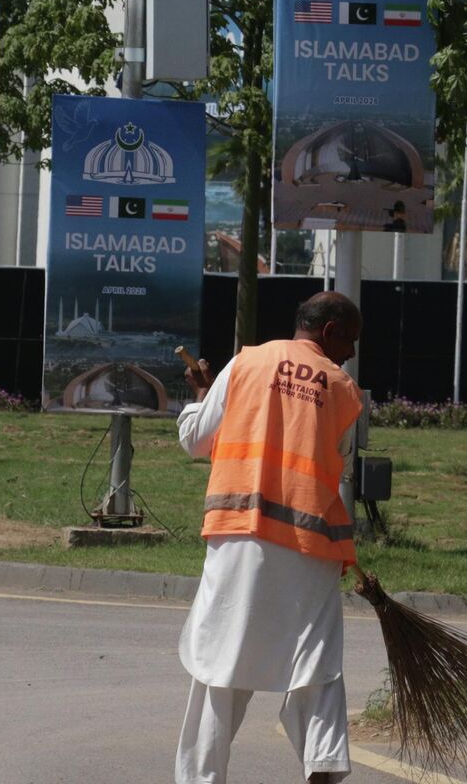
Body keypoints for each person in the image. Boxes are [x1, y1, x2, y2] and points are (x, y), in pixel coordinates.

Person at [174, 291, 364, 784]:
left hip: (239, 535)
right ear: (328, 332)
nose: (350, 352)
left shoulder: (246, 363)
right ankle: (323, 768)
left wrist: (202, 397)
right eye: (349, 339)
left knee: (222, 664)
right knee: (317, 664)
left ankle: (201, 777)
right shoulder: (343, 388)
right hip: (311, 546)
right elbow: (338, 459)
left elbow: (196, 440)